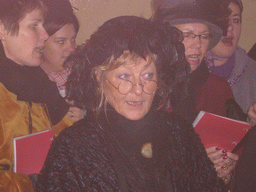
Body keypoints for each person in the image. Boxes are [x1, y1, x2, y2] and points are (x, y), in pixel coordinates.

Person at [34, 16, 225, 191]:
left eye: (148, 75)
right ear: (99, 77)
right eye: (124, 76)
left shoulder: (180, 133)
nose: (138, 89)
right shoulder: (74, 146)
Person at [153, 0, 241, 187]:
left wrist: (224, 172)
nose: (198, 44)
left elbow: (232, 165)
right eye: (187, 35)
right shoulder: (147, 89)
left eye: (204, 36)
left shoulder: (218, 89)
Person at [0, 0, 73, 191]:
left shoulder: (40, 82)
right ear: (2, 30)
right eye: (34, 26)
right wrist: (36, 184)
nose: (44, 35)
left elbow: (68, 137)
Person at [205, 0, 256, 116]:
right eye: (222, 20)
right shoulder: (188, 69)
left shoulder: (253, 74)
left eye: (236, 20)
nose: (230, 28)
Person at [41, 0, 84, 122]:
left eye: (73, 39)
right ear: (41, 43)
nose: (71, 49)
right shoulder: (32, 80)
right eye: (61, 42)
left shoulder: (82, 71)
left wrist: (84, 115)